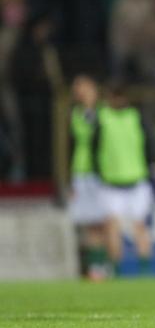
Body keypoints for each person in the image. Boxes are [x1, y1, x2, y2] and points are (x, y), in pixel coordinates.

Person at [94, 82, 155, 275]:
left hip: (131, 180)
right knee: (118, 227)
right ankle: (121, 269)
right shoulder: (133, 117)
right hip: (115, 182)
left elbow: (94, 148)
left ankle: (140, 269)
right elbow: (151, 146)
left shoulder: (105, 118)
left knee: (133, 226)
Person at [66, 75, 108, 280]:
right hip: (81, 172)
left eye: (85, 89)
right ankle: (94, 268)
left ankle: (105, 265)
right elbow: (78, 139)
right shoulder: (76, 114)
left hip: (101, 173)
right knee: (88, 222)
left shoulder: (103, 113)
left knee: (102, 222)